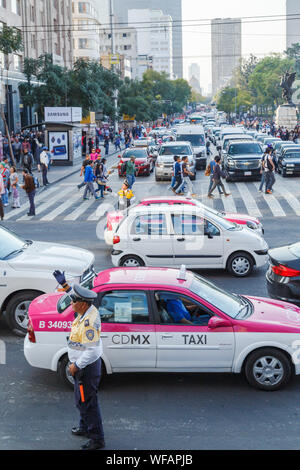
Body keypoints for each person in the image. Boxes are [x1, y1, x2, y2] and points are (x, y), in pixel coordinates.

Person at [52, 272, 105, 450]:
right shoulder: (85, 309)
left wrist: (76, 365)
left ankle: (97, 438)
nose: (71, 304)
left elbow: (91, 350)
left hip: (85, 368)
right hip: (80, 367)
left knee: (88, 402)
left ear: (82, 304)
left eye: (74, 302)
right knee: (80, 399)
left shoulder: (89, 322)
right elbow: (73, 298)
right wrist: (65, 285)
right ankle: (84, 427)